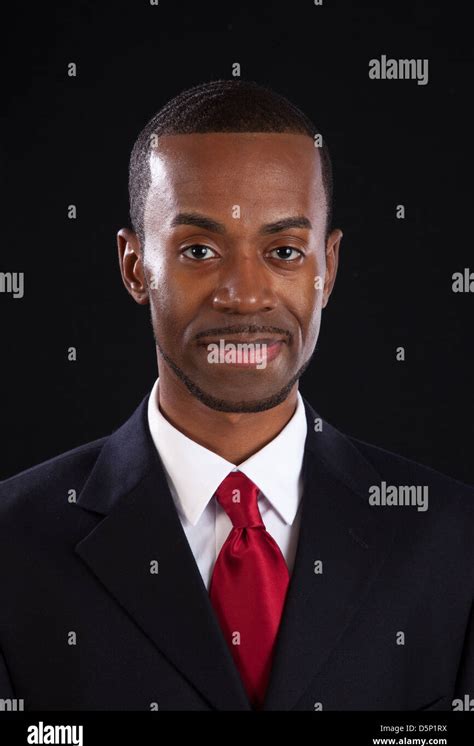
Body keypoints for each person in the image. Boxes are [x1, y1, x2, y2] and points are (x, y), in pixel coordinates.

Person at [0, 79, 472, 712]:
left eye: (283, 251)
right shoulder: (12, 545)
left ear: (326, 268)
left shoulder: (454, 540)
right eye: (199, 250)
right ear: (135, 265)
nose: (245, 295)